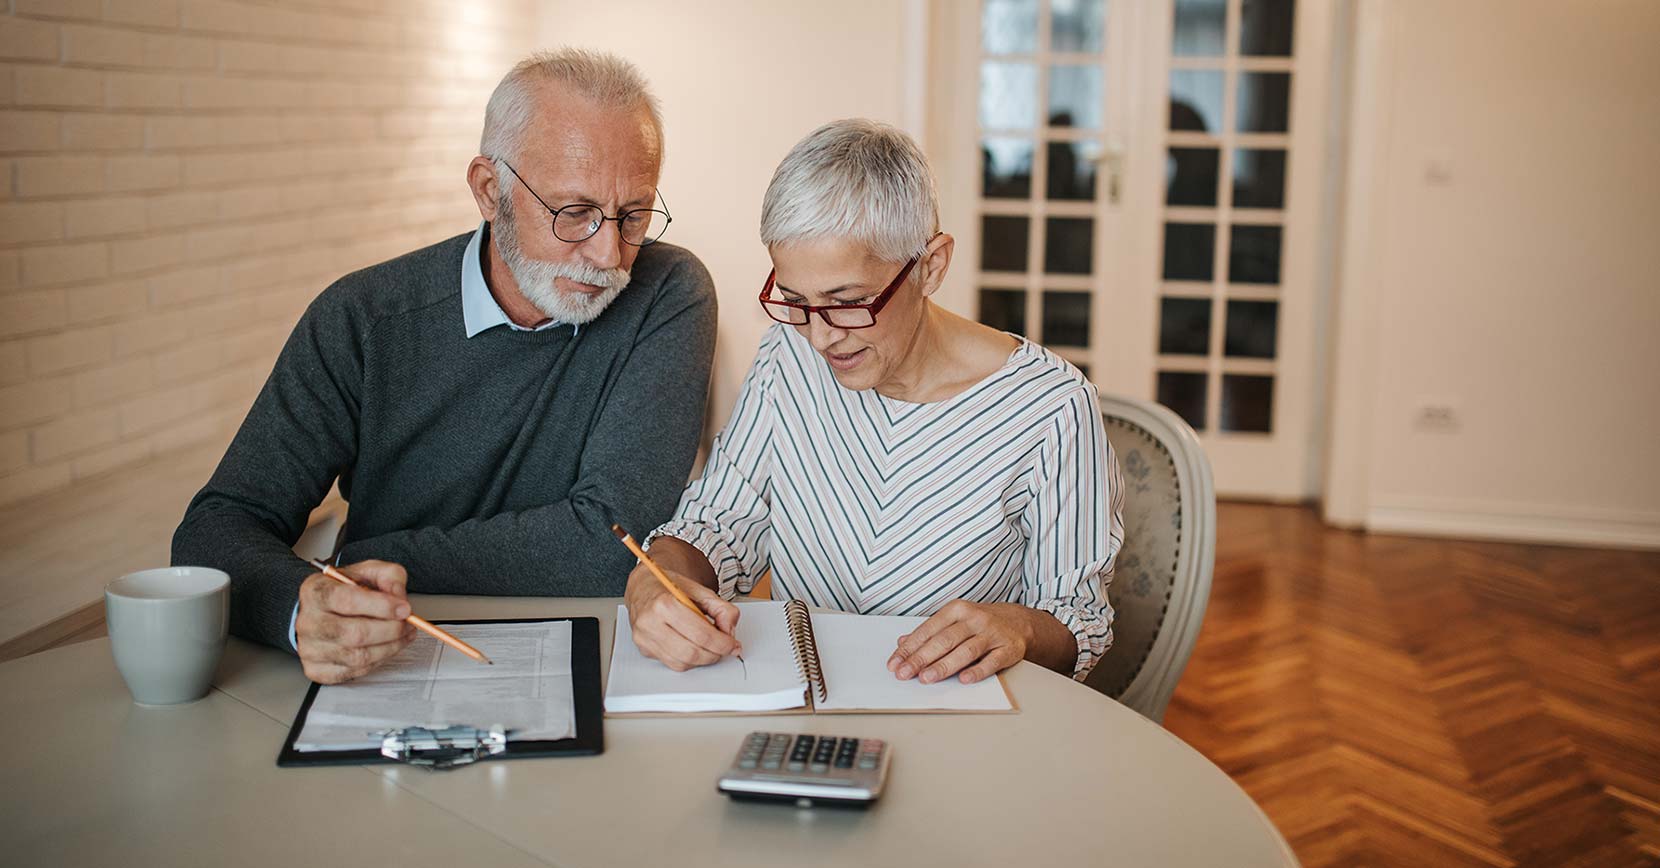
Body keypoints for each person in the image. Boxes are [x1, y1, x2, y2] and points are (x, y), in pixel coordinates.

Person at [172, 49, 716, 685]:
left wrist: (367, 556)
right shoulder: (361, 318)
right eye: (575, 213)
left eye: (634, 215)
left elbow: (613, 544)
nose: (609, 253)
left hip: (596, 657)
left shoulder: (668, 291)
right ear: (491, 191)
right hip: (386, 663)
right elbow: (214, 531)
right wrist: (303, 606)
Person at [625, 119, 1122, 686]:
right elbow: (719, 521)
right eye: (795, 300)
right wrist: (657, 574)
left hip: (959, 722)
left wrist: (1021, 629)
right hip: (805, 707)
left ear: (931, 266)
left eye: (848, 301)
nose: (820, 336)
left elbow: (1079, 623)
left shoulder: (1052, 408)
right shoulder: (789, 357)